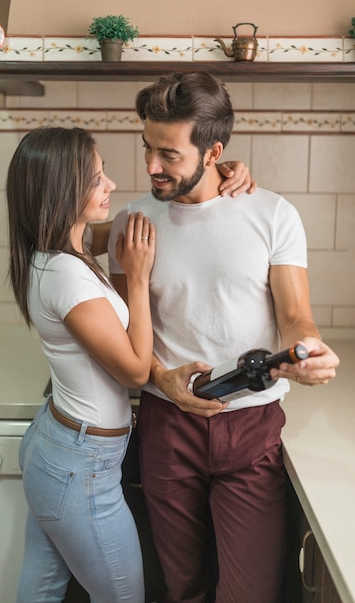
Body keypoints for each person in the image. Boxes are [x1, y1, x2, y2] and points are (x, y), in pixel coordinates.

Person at [107, 72, 340, 603]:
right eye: (147, 147)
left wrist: (309, 349)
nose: (149, 167)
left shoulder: (272, 214)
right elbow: (128, 334)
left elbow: (296, 315)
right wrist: (163, 379)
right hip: (168, 424)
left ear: (214, 152)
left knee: (249, 593)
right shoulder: (132, 223)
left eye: (169, 154)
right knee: (183, 587)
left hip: (252, 426)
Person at [6, 126, 156, 603]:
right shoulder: (68, 275)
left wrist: (223, 175)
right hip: (80, 468)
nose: (110, 184)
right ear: (61, 191)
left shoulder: (59, 251)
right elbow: (135, 371)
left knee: (44, 590)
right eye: (96, 179)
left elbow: (137, 223)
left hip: (59, 451)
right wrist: (137, 279)